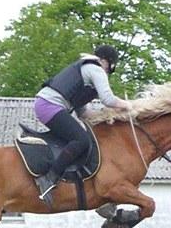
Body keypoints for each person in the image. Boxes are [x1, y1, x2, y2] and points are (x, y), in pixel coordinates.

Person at [33, 45, 132, 206]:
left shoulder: (85, 70)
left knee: (80, 137)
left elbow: (83, 113)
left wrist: (104, 117)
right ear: (108, 63)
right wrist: (129, 105)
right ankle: (48, 178)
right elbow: (108, 99)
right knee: (82, 141)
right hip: (50, 106)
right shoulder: (97, 69)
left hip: (46, 105)